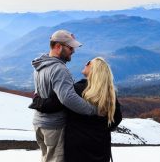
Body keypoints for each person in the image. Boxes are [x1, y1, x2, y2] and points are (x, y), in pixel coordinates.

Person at [31, 57, 122, 162]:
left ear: (95, 70)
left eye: (89, 63)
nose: (86, 63)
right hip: (100, 148)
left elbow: (51, 105)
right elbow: (117, 119)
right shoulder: (110, 95)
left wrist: (36, 99)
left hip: (77, 148)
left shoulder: (77, 90)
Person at [30, 30, 98, 162]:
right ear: (58, 46)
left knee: (47, 158)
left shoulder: (40, 64)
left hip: (39, 123)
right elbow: (68, 98)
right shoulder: (59, 69)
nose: (73, 51)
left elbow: (39, 92)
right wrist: (93, 110)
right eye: (70, 47)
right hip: (54, 125)